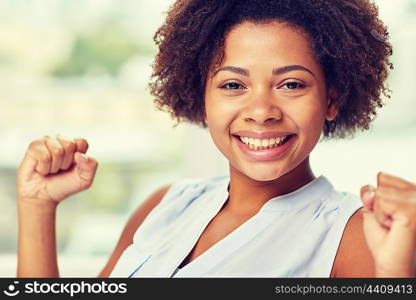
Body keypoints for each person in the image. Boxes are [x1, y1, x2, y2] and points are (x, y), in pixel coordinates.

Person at [16, 0, 416, 278]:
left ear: (331, 100)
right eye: (232, 84)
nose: (261, 110)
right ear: (201, 97)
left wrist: (398, 273)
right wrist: (37, 207)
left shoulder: (355, 237)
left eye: (291, 84)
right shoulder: (165, 205)